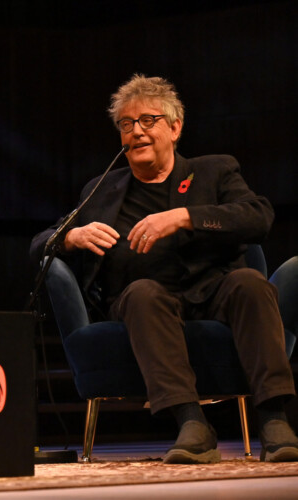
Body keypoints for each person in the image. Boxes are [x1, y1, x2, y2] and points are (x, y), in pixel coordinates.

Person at [30, 74, 298, 464]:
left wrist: (184, 216)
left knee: (250, 283)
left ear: (175, 128)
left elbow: (258, 217)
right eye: (126, 124)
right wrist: (71, 237)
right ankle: (192, 423)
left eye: (147, 120)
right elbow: (39, 243)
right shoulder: (100, 190)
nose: (136, 131)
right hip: (142, 301)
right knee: (144, 293)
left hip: (214, 291)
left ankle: (274, 420)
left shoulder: (214, 171)